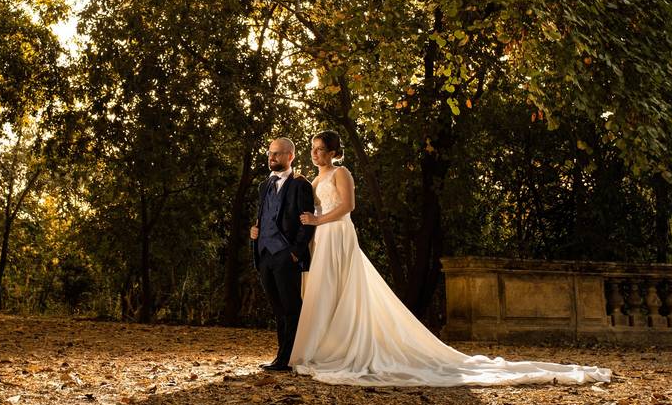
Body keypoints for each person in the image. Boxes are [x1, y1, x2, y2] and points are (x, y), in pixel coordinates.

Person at [288, 130, 611, 386]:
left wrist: (318, 221)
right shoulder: (315, 178)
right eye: (313, 149)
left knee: (341, 288)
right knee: (324, 291)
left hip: (339, 233)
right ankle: (321, 346)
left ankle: (342, 348)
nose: (315, 154)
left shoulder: (341, 173)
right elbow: (312, 207)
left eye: (319, 149)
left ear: (332, 152)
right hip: (323, 239)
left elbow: (347, 207)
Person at [249, 137, 315, 371]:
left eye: (277, 154)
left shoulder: (301, 185)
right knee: (277, 308)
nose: (272, 157)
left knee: (291, 307)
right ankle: (282, 356)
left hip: (286, 255)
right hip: (265, 253)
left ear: (291, 156)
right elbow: (264, 215)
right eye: (270, 153)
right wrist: (255, 232)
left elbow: (308, 221)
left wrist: (296, 252)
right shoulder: (263, 186)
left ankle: (287, 359)